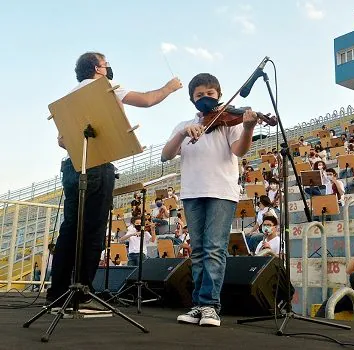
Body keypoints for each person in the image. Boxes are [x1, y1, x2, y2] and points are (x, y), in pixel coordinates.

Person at [46, 52, 182, 310]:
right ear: (98, 69)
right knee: (94, 231)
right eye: (106, 63)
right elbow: (148, 100)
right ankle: (82, 293)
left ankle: (58, 293)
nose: (109, 67)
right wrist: (170, 87)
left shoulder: (68, 99)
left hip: (74, 166)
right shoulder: (106, 89)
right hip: (98, 165)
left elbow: (62, 141)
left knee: (70, 230)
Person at [161, 73, 258, 327]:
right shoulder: (185, 125)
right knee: (199, 251)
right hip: (192, 192)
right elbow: (165, 155)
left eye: (210, 94)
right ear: (192, 99)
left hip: (221, 191)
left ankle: (210, 305)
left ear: (219, 95)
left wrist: (247, 127)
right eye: (199, 95)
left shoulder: (229, 121)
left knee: (215, 248)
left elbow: (239, 150)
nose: (205, 98)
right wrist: (182, 133)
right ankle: (198, 305)